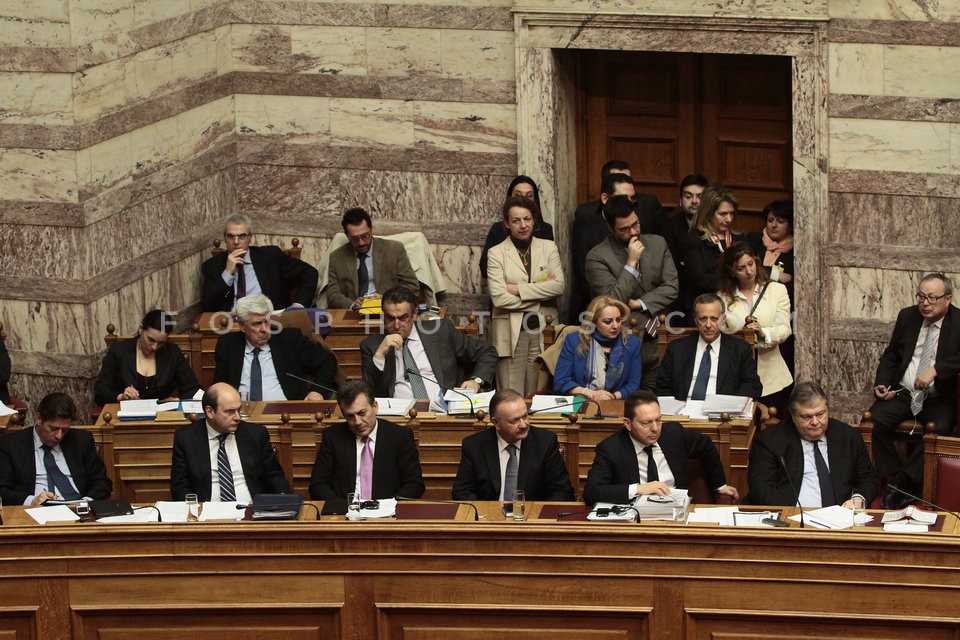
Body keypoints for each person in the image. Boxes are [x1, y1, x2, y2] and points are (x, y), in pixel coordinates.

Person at [869, 273, 960, 509]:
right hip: (904, 393)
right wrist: (883, 384)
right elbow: (892, 355)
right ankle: (896, 477)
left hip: (938, 398)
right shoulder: (908, 316)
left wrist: (936, 370)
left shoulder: (959, 322)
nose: (925, 303)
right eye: (921, 296)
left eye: (932, 298)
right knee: (873, 422)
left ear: (948, 299)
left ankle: (902, 484)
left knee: (941, 429)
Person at [585, 194, 678, 388]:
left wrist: (641, 303)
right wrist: (631, 263)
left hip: (659, 337)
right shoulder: (597, 257)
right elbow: (612, 300)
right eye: (624, 229)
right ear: (610, 228)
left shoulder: (658, 243)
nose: (633, 232)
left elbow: (672, 287)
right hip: (623, 342)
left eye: (636, 224)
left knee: (658, 398)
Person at [583, 390, 738, 505]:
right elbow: (591, 492)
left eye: (658, 420)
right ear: (628, 424)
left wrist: (720, 485)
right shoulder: (611, 449)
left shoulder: (674, 434)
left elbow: (707, 446)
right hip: (635, 519)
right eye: (646, 423)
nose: (655, 428)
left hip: (676, 510)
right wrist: (638, 489)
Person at [747, 382, 878, 508]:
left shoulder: (849, 437)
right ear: (793, 416)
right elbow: (761, 488)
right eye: (806, 417)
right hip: (792, 518)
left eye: (820, 414)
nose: (815, 422)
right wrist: (790, 515)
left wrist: (858, 499)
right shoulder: (769, 441)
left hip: (841, 516)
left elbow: (868, 479)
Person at [360, 286, 497, 404]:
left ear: (415, 314)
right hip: (398, 417)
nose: (396, 325)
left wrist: (476, 381)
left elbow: (487, 351)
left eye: (403, 318)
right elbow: (369, 394)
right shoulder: (372, 346)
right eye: (390, 318)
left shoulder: (440, 331)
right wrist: (379, 356)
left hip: (444, 411)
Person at [487, 196, 565, 395]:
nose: (523, 225)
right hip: (510, 331)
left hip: (543, 330)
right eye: (516, 220)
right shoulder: (496, 253)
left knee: (538, 395)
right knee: (510, 395)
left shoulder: (548, 247)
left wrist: (518, 289)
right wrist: (539, 296)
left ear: (534, 220)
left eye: (527, 219)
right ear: (507, 223)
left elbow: (558, 286)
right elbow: (499, 298)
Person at [570, 161, 664, 321]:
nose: (629, 204)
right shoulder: (587, 229)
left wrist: (642, 303)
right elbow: (584, 279)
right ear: (605, 198)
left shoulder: (641, 219)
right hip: (606, 312)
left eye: (632, 198)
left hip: (649, 312)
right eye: (623, 198)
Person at [170, 383, 290, 502]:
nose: (237, 417)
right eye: (230, 412)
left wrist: (283, 496)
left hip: (252, 509)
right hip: (206, 511)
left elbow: (274, 475)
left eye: (238, 410)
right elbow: (180, 487)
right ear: (210, 411)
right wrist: (196, 508)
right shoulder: (186, 438)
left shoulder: (255, 434)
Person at [309, 380, 425, 500]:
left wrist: (390, 505)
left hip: (388, 509)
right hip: (345, 509)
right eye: (350, 416)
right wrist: (343, 507)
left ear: (375, 407)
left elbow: (414, 484)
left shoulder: (400, 436)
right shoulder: (333, 436)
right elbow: (318, 485)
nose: (357, 422)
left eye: (362, 413)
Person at [452, 389, 575, 501]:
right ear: (496, 423)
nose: (523, 424)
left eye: (525, 416)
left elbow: (563, 490)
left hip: (532, 515)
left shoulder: (545, 442)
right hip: (489, 516)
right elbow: (462, 491)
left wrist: (536, 514)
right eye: (514, 420)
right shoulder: (474, 446)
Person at [214, 294, 338, 400]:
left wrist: (317, 392)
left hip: (287, 412)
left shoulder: (289, 339)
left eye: (267, 321)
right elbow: (219, 386)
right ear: (242, 326)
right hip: (241, 413)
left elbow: (327, 361)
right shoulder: (228, 345)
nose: (264, 329)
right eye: (257, 324)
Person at [717, 243, 792, 413]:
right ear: (731, 271)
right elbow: (720, 334)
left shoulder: (777, 290)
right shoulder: (723, 297)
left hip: (772, 377)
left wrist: (763, 332)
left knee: (771, 423)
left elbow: (784, 329)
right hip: (737, 376)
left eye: (750, 264)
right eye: (741, 268)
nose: (749, 271)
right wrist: (741, 335)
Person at [0, 393, 112, 506]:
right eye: (53, 428)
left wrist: (85, 502)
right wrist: (32, 500)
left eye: (64, 430)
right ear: (38, 418)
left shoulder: (81, 441)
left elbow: (102, 482)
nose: (59, 436)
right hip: (36, 511)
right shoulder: (11, 445)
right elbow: (2, 490)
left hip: (80, 509)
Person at [201, 213, 319, 312]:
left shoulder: (270, 256)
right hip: (232, 324)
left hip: (270, 322)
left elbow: (310, 272)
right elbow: (208, 306)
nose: (236, 242)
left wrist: (298, 305)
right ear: (225, 238)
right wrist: (227, 273)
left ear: (250, 237)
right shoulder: (212, 266)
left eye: (242, 236)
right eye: (231, 236)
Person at [656, 293, 762, 401]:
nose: (708, 325)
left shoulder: (740, 349)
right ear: (695, 319)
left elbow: (753, 386)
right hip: (684, 407)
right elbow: (662, 388)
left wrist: (726, 404)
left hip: (722, 409)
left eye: (714, 319)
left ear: (723, 319)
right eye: (703, 318)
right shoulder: (677, 349)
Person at [94, 309, 201, 405]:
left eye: (161, 343)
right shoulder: (119, 351)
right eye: (151, 340)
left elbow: (194, 390)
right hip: (127, 413)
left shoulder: (172, 353)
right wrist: (121, 397)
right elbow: (100, 392)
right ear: (141, 329)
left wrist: (177, 400)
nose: (154, 347)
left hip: (162, 415)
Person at [324, 207, 419, 309]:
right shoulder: (336, 257)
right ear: (347, 236)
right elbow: (333, 294)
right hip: (355, 311)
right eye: (355, 239)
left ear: (371, 229)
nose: (361, 242)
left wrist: (388, 299)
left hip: (389, 309)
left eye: (365, 236)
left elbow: (412, 286)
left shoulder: (394, 250)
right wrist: (352, 305)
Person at [553, 295, 643, 401]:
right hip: (581, 401)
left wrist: (612, 397)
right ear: (594, 322)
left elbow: (633, 384)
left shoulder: (632, 343)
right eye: (608, 321)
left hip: (617, 403)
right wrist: (591, 394)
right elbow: (561, 381)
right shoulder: (574, 341)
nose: (615, 326)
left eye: (618, 320)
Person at [678, 184, 745, 324]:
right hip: (703, 308)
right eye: (723, 214)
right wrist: (736, 277)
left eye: (731, 213)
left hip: (736, 307)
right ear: (709, 213)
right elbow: (700, 279)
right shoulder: (693, 240)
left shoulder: (739, 239)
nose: (729, 219)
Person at [479, 176, 555, 279]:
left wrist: (514, 286)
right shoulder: (497, 229)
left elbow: (550, 274)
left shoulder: (545, 229)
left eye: (529, 196)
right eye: (517, 195)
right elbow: (485, 269)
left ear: (535, 200)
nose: (523, 200)